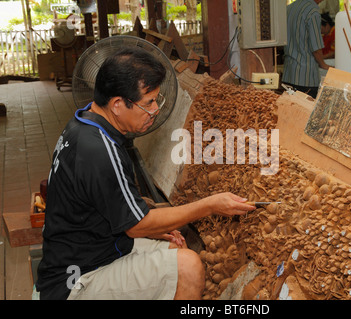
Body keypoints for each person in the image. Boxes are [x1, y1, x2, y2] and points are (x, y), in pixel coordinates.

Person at [36, 46, 256, 300]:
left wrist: (151, 227)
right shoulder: (100, 151)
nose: (156, 110)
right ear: (118, 104)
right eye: (149, 103)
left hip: (90, 250)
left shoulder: (83, 123)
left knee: (171, 244)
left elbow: (117, 209)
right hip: (75, 281)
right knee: (188, 267)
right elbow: (137, 225)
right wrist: (209, 205)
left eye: (156, 100)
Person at [282, 0, 331, 99]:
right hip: (306, 78)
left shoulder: (289, 8)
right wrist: (323, 64)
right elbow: (315, 46)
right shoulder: (312, 11)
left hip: (288, 74)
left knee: (291, 111)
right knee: (306, 112)